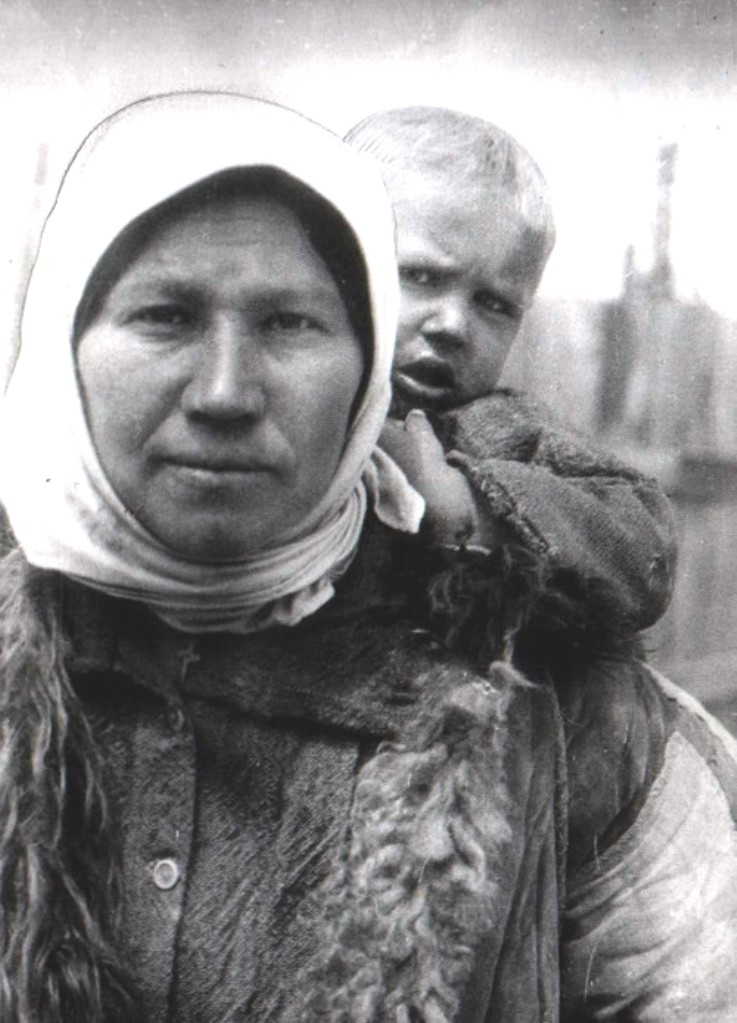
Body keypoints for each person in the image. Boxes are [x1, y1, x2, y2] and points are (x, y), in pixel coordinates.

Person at [0, 90, 735, 1023]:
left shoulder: (563, 696)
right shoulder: (25, 631)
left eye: (290, 323)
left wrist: (468, 507)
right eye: (164, 315)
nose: (226, 392)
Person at [345, 106, 737, 1019]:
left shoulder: (499, 430)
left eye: (495, 303)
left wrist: (470, 505)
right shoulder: (284, 408)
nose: (452, 323)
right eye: (421, 276)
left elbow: (639, 541)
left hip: (473, 793)